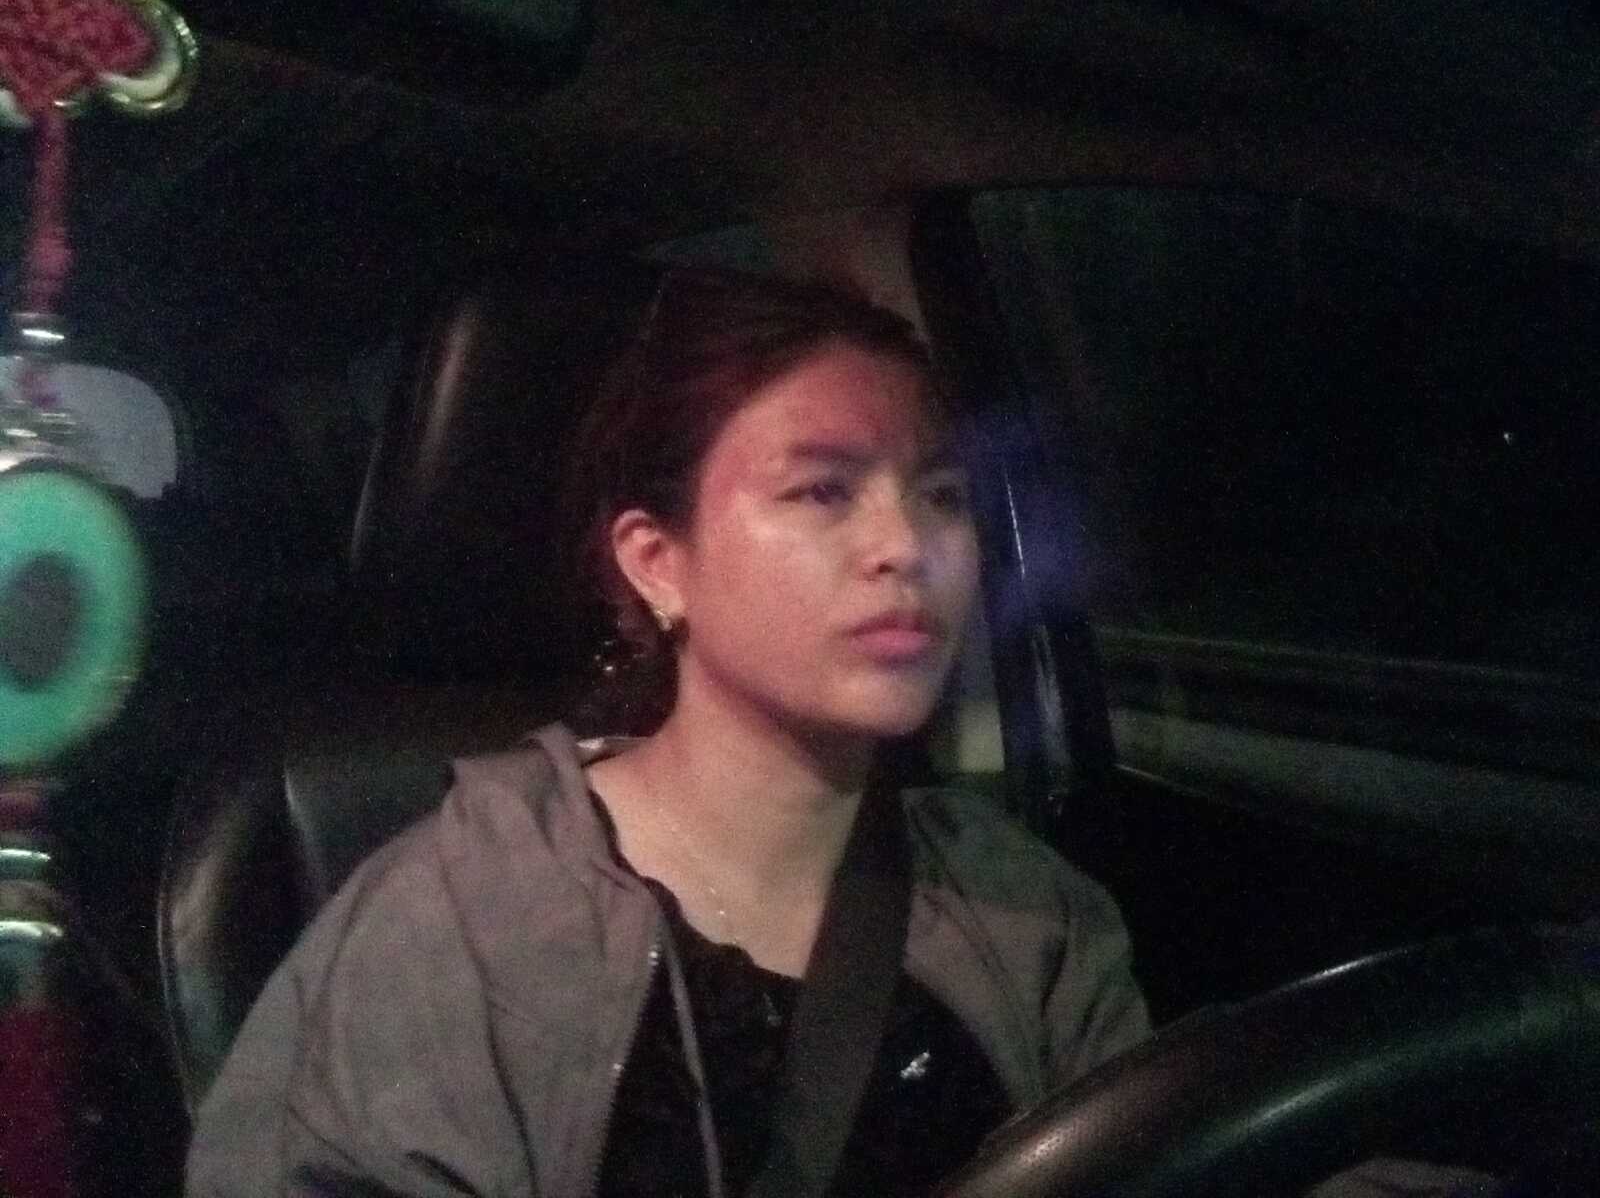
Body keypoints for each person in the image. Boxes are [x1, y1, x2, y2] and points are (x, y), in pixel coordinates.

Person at [184, 270, 1150, 1197]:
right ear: (657, 563)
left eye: (943, 495)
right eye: (822, 490)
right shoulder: (456, 925)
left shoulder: (1032, 915)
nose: (907, 547)